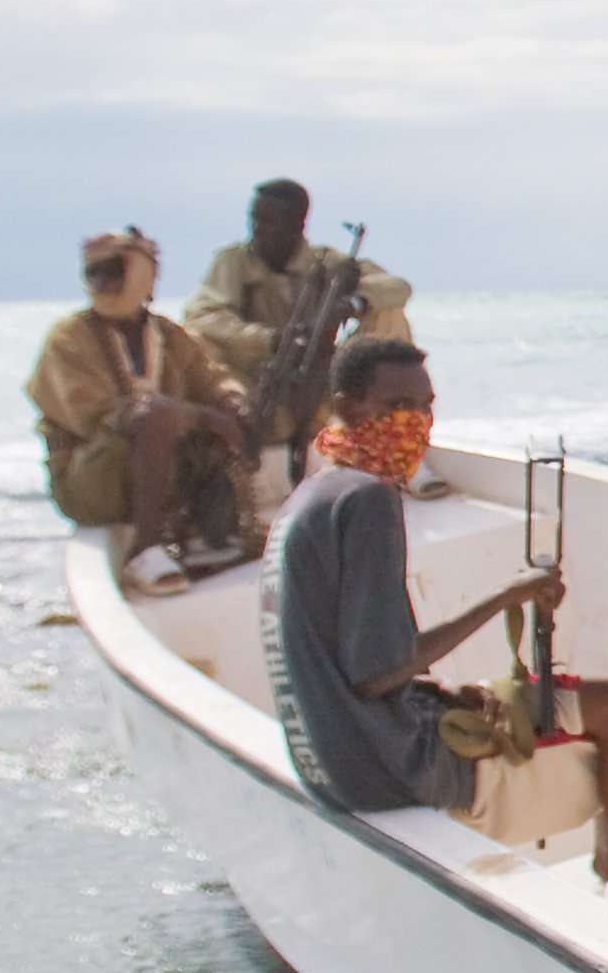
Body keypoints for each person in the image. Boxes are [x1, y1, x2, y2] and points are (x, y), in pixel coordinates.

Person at [266, 334, 569, 818]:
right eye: (396, 405)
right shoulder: (368, 500)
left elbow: (351, 663)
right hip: (385, 769)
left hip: (327, 767)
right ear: (347, 407)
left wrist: (438, 692)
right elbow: (377, 675)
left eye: (424, 406)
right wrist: (506, 595)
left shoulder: (314, 493)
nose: (414, 423)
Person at [30, 227, 259, 584]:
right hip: (92, 479)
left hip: (160, 475)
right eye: (94, 272)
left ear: (143, 273)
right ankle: (145, 549)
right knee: (158, 414)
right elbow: (94, 413)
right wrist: (196, 414)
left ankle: (214, 534)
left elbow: (211, 376)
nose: (102, 281)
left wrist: (232, 402)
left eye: (113, 270)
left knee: (233, 414)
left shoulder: (168, 335)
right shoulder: (69, 338)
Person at [187, 177, 418, 370]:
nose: (256, 228)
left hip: (319, 375)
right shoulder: (234, 260)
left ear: (296, 224)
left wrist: (347, 305)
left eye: (268, 221)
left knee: (389, 316)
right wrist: (272, 340)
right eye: (254, 218)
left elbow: (398, 287)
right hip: (258, 375)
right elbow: (202, 318)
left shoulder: (325, 262)